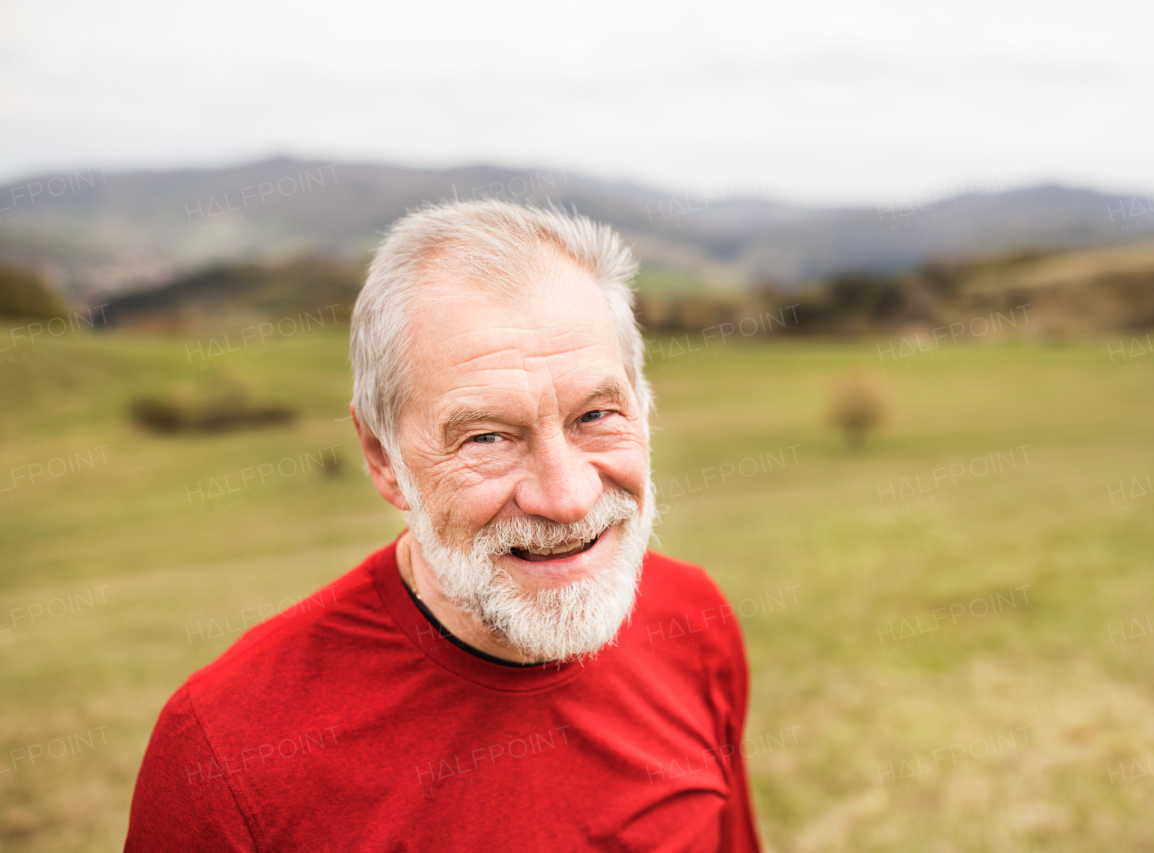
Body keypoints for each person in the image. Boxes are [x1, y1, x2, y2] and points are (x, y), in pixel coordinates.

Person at [125, 199, 761, 851]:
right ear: (384, 459)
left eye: (596, 416)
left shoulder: (696, 623)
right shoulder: (224, 754)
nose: (567, 499)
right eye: (487, 436)